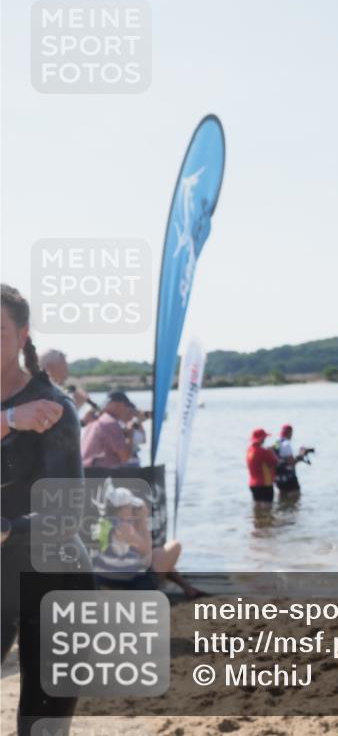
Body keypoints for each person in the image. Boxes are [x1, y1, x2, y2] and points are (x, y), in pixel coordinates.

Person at [1, 284, 94, 735]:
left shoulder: (54, 407)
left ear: (22, 335)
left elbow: (67, 514)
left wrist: (6, 528)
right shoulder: (19, 413)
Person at [80, 390, 138, 468]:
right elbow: (125, 457)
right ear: (119, 405)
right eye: (126, 406)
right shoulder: (110, 423)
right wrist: (130, 434)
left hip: (86, 472)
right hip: (98, 474)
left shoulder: (96, 421)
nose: (127, 410)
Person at [272, 423, 313, 495]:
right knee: (295, 497)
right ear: (290, 433)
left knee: (282, 497)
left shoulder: (277, 442)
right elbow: (291, 462)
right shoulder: (286, 444)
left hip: (278, 477)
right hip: (289, 478)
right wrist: (301, 454)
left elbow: (281, 458)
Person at [246, 428, 280, 504]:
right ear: (262, 439)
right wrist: (271, 452)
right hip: (265, 484)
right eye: (264, 438)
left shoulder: (249, 450)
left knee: (258, 508)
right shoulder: (264, 452)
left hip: (253, 484)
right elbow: (276, 462)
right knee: (268, 509)